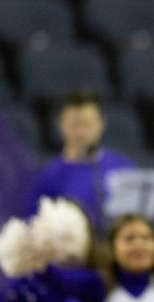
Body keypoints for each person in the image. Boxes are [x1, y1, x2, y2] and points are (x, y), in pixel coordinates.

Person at [29, 91, 138, 230]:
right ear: (61, 125)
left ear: (101, 124)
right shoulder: (48, 176)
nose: (81, 132)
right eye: (74, 124)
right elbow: (34, 224)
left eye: (87, 124)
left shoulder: (124, 167)